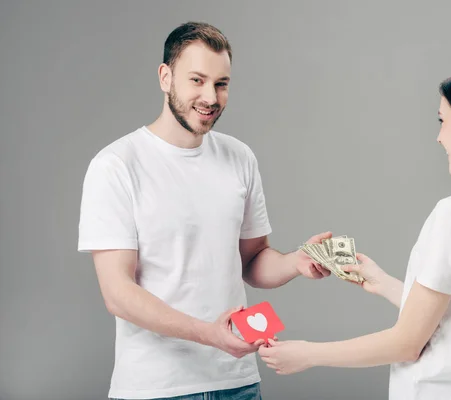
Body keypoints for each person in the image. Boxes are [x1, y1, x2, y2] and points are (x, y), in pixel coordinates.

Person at [258, 60, 451, 399]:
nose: (438, 137)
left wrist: (308, 354)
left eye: (443, 121)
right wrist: (383, 283)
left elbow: (408, 343)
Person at [77, 21, 332, 400]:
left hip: (237, 383)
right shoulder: (116, 164)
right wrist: (207, 334)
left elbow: (252, 261)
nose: (210, 97)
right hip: (155, 387)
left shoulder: (239, 158)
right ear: (165, 77)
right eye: (196, 80)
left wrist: (296, 261)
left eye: (221, 83)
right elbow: (118, 292)